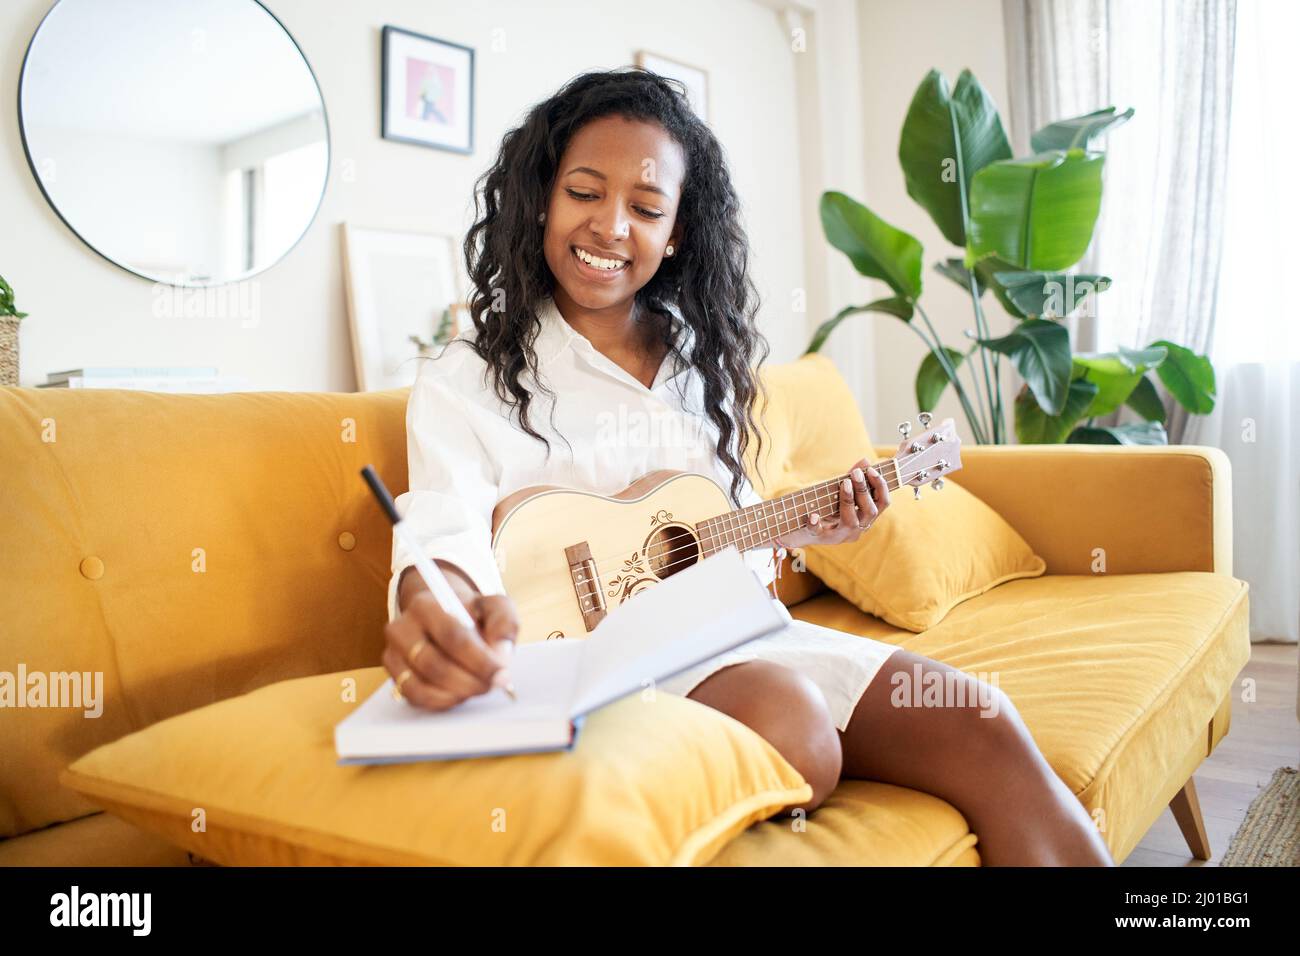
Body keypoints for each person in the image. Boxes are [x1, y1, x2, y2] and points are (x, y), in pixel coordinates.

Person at [383, 68, 1113, 866]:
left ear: (677, 234)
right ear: (540, 199)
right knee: (790, 723)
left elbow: (727, 546)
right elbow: (442, 534)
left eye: (647, 208)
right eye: (584, 193)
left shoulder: (701, 365)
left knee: (982, 716)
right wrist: (443, 612)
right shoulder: (467, 377)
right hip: (584, 675)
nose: (611, 227)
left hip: (733, 644)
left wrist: (817, 526)